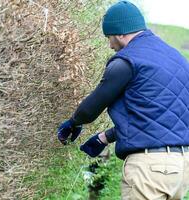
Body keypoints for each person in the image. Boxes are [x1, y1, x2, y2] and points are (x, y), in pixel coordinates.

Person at [57, 1, 189, 199]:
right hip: (181, 168)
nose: (110, 45)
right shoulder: (177, 59)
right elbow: (156, 118)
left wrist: (73, 122)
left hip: (149, 169)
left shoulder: (128, 60)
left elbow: (92, 107)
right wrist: (105, 137)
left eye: (109, 37)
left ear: (120, 33)